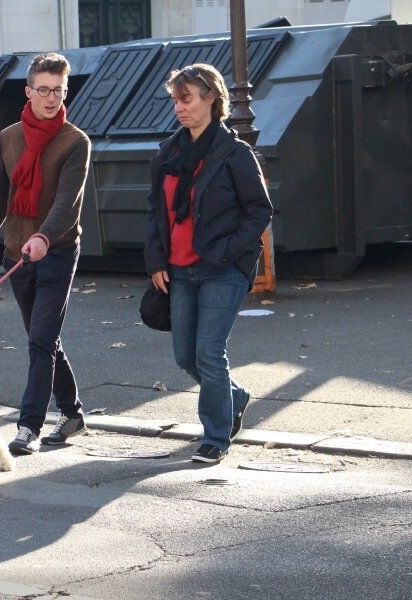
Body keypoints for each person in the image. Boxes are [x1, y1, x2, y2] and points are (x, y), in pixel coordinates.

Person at [0, 52, 91, 456]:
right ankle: (74, 413)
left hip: (58, 251)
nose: (52, 98)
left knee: (40, 341)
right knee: (43, 338)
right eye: (44, 90)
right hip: (17, 254)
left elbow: (67, 204)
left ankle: (28, 426)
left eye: (59, 91)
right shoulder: (9, 138)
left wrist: (45, 237)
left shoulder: (75, 142)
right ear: (29, 91)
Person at [144, 63, 273, 463]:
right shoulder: (169, 152)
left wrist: (229, 251)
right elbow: (155, 213)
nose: (179, 108)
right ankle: (234, 396)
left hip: (222, 268)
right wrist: (156, 260)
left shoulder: (235, 154)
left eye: (187, 99)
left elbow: (259, 211)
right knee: (186, 355)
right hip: (179, 269)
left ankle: (215, 436)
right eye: (175, 100)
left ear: (210, 99)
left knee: (209, 353)